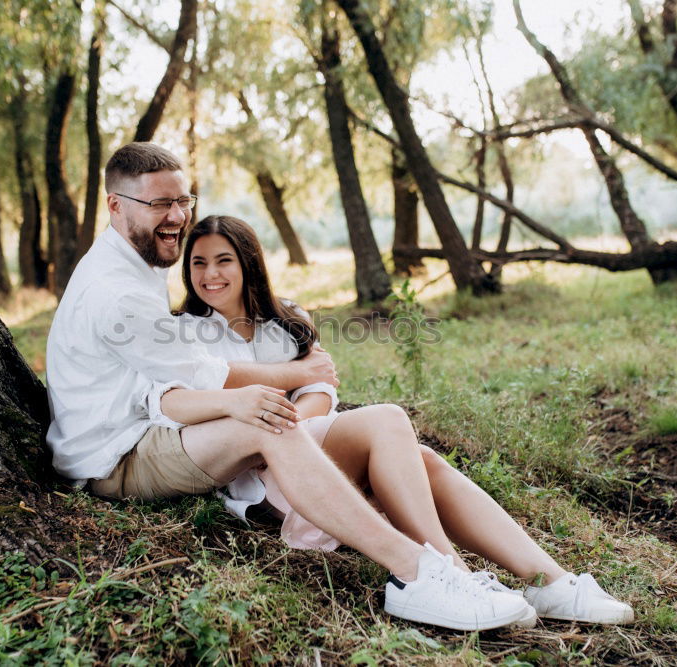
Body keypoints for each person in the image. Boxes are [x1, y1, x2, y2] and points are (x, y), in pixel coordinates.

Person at [44, 142, 629, 632]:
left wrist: (294, 391)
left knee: (401, 437)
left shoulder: (140, 270)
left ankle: (543, 581)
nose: (174, 215)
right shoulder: (119, 292)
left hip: (163, 433)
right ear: (117, 206)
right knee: (267, 421)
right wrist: (280, 387)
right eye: (159, 204)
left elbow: (267, 378)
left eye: (181, 200)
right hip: (119, 456)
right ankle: (419, 575)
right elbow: (186, 386)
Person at [165, 214, 634, 627]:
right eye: (198, 262)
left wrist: (295, 427)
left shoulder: (286, 318)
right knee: (389, 420)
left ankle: (549, 580)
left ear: (248, 262)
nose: (210, 274)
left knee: (423, 459)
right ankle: (450, 575)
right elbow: (207, 394)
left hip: (301, 447)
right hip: (262, 478)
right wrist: (291, 429)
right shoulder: (187, 332)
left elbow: (322, 386)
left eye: (223, 260)